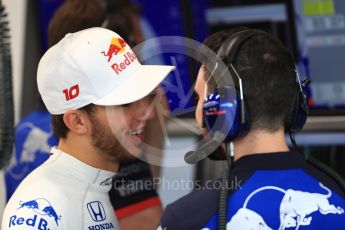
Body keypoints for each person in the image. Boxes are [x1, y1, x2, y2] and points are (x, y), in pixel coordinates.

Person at [158, 28, 345, 229]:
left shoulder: (185, 218)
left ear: (221, 109)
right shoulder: (337, 196)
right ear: (294, 106)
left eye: (199, 98)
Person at [4, 0, 168, 229]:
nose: (148, 113)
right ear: (77, 121)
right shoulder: (43, 210)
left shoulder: (93, 188)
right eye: (126, 103)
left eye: (146, 98)